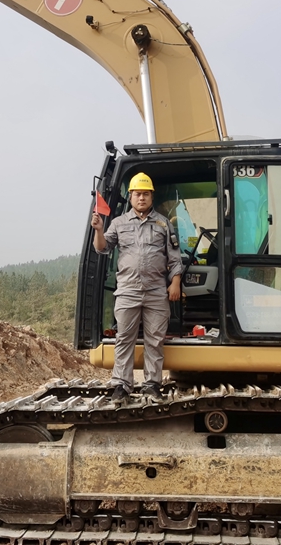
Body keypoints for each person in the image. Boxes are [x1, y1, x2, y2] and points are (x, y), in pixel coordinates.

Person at [91, 172, 182, 401]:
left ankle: (152, 384)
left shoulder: (163, 224)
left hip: (156, 291)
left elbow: (174, 258)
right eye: (138, 194)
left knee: (155, 340)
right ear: (131, 196)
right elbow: (102, 248)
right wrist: (99, 230)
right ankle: (121, 385)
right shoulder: (118, 223)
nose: (141, 198)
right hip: (128, 291)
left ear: (152, 196)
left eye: (146, 194)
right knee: (124, 338)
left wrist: (175, 283)